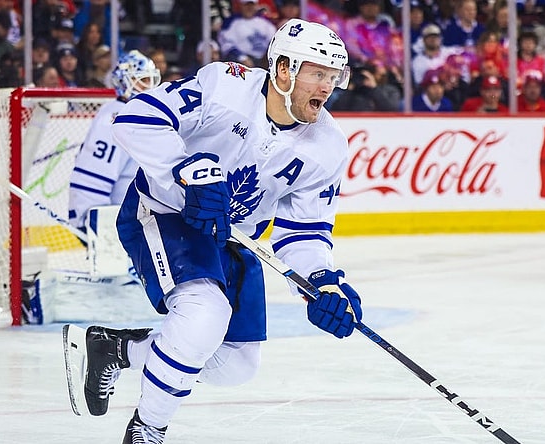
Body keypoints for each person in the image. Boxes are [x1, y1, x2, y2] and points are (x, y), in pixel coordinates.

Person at [71, 19, 364, 443]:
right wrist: (183, 169)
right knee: (204, 315)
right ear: (283, 68)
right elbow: (136, 117)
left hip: (232, 237)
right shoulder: (226, 87)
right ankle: (147, 430)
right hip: (166, 213)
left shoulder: (329, 144)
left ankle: (116, 350)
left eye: (333, 77)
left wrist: (321, 282)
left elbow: (305, 231)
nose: (326, 87)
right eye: (317, 73)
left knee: (236, 365)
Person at [67, 50, 161, 232]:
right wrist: (91, 220)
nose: (149, 87)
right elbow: (93, 176)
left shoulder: (138, 114)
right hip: (118, 223)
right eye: (142, 80)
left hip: (137, 219)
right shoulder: (115, 117)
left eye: (151, 80)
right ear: (123, 81)